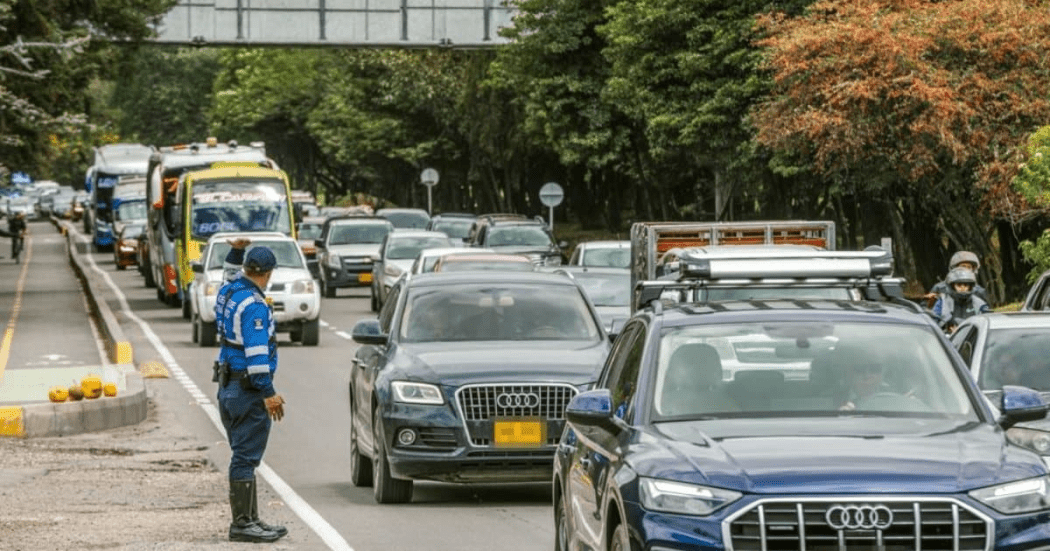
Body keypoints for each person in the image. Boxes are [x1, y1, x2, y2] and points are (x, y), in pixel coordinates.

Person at [215, 243, 287, 543]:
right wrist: (268, 392)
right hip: (247, 389)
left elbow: (227, 275)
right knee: (245, 456)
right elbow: (257, 356)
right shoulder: (255, 306)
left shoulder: (229, 292)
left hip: (228, 385)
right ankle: (243, 523)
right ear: (267, 274)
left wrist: (233, 252)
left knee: (243, 453)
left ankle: (252, 518)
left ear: (247, 269)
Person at [933, 267, 990, 334]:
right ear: (951, 286)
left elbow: (987, 324)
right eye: (959, 285)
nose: (963, 288)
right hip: (947, 338)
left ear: (970, 286)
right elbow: (933, 323)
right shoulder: (942, 301)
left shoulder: (980, 303)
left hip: (973, 338)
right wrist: (946, 328)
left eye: (966, 285)